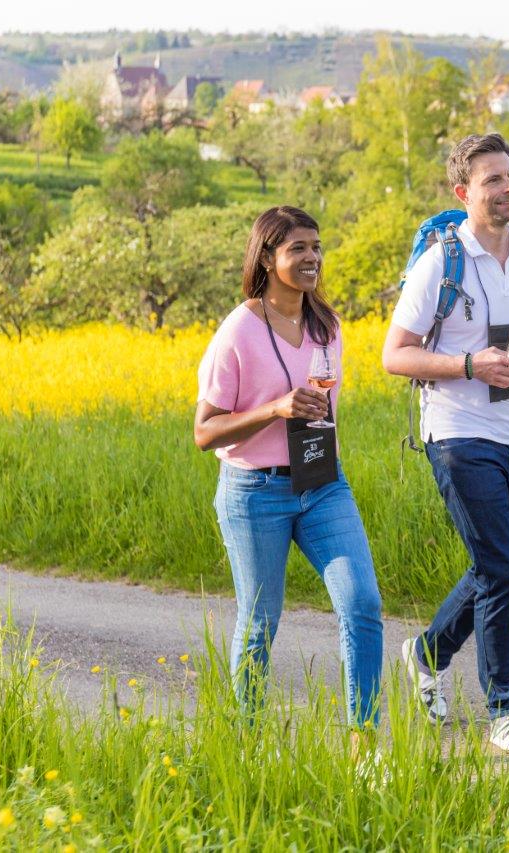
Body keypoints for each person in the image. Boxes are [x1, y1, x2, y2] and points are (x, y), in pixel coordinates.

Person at [382, 133, 509, 751]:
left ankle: (425, 654)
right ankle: (505, 711)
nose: (508, 188)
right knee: (500, 571)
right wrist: (472, 364)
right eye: (493, 179)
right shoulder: (442, 263)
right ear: (463, 192)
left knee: (504, 568)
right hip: (456, 435)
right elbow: (395, 355)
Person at [193, 206, 383, 756]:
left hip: (323, 484)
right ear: (268, 256)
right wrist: (275, 408)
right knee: (258, 625)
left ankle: (363, 747)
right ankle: (246, 749)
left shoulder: (328, 326)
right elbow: (204, 431)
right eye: (297, 248)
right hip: (256, 493)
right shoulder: (238, 330)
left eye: (316, 246)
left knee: (362, 603)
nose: (311, 258)